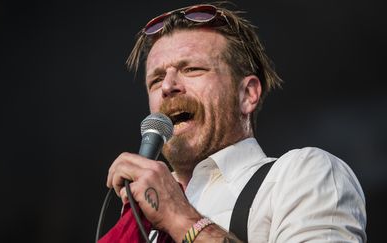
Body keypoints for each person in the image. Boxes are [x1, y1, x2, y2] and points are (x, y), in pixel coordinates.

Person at [106, 3, 366, 243]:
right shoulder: (141, 216)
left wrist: (180, 218)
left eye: (192, 69)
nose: (167, 86)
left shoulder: (302, 175)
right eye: (156, 79)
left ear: (247, 95)